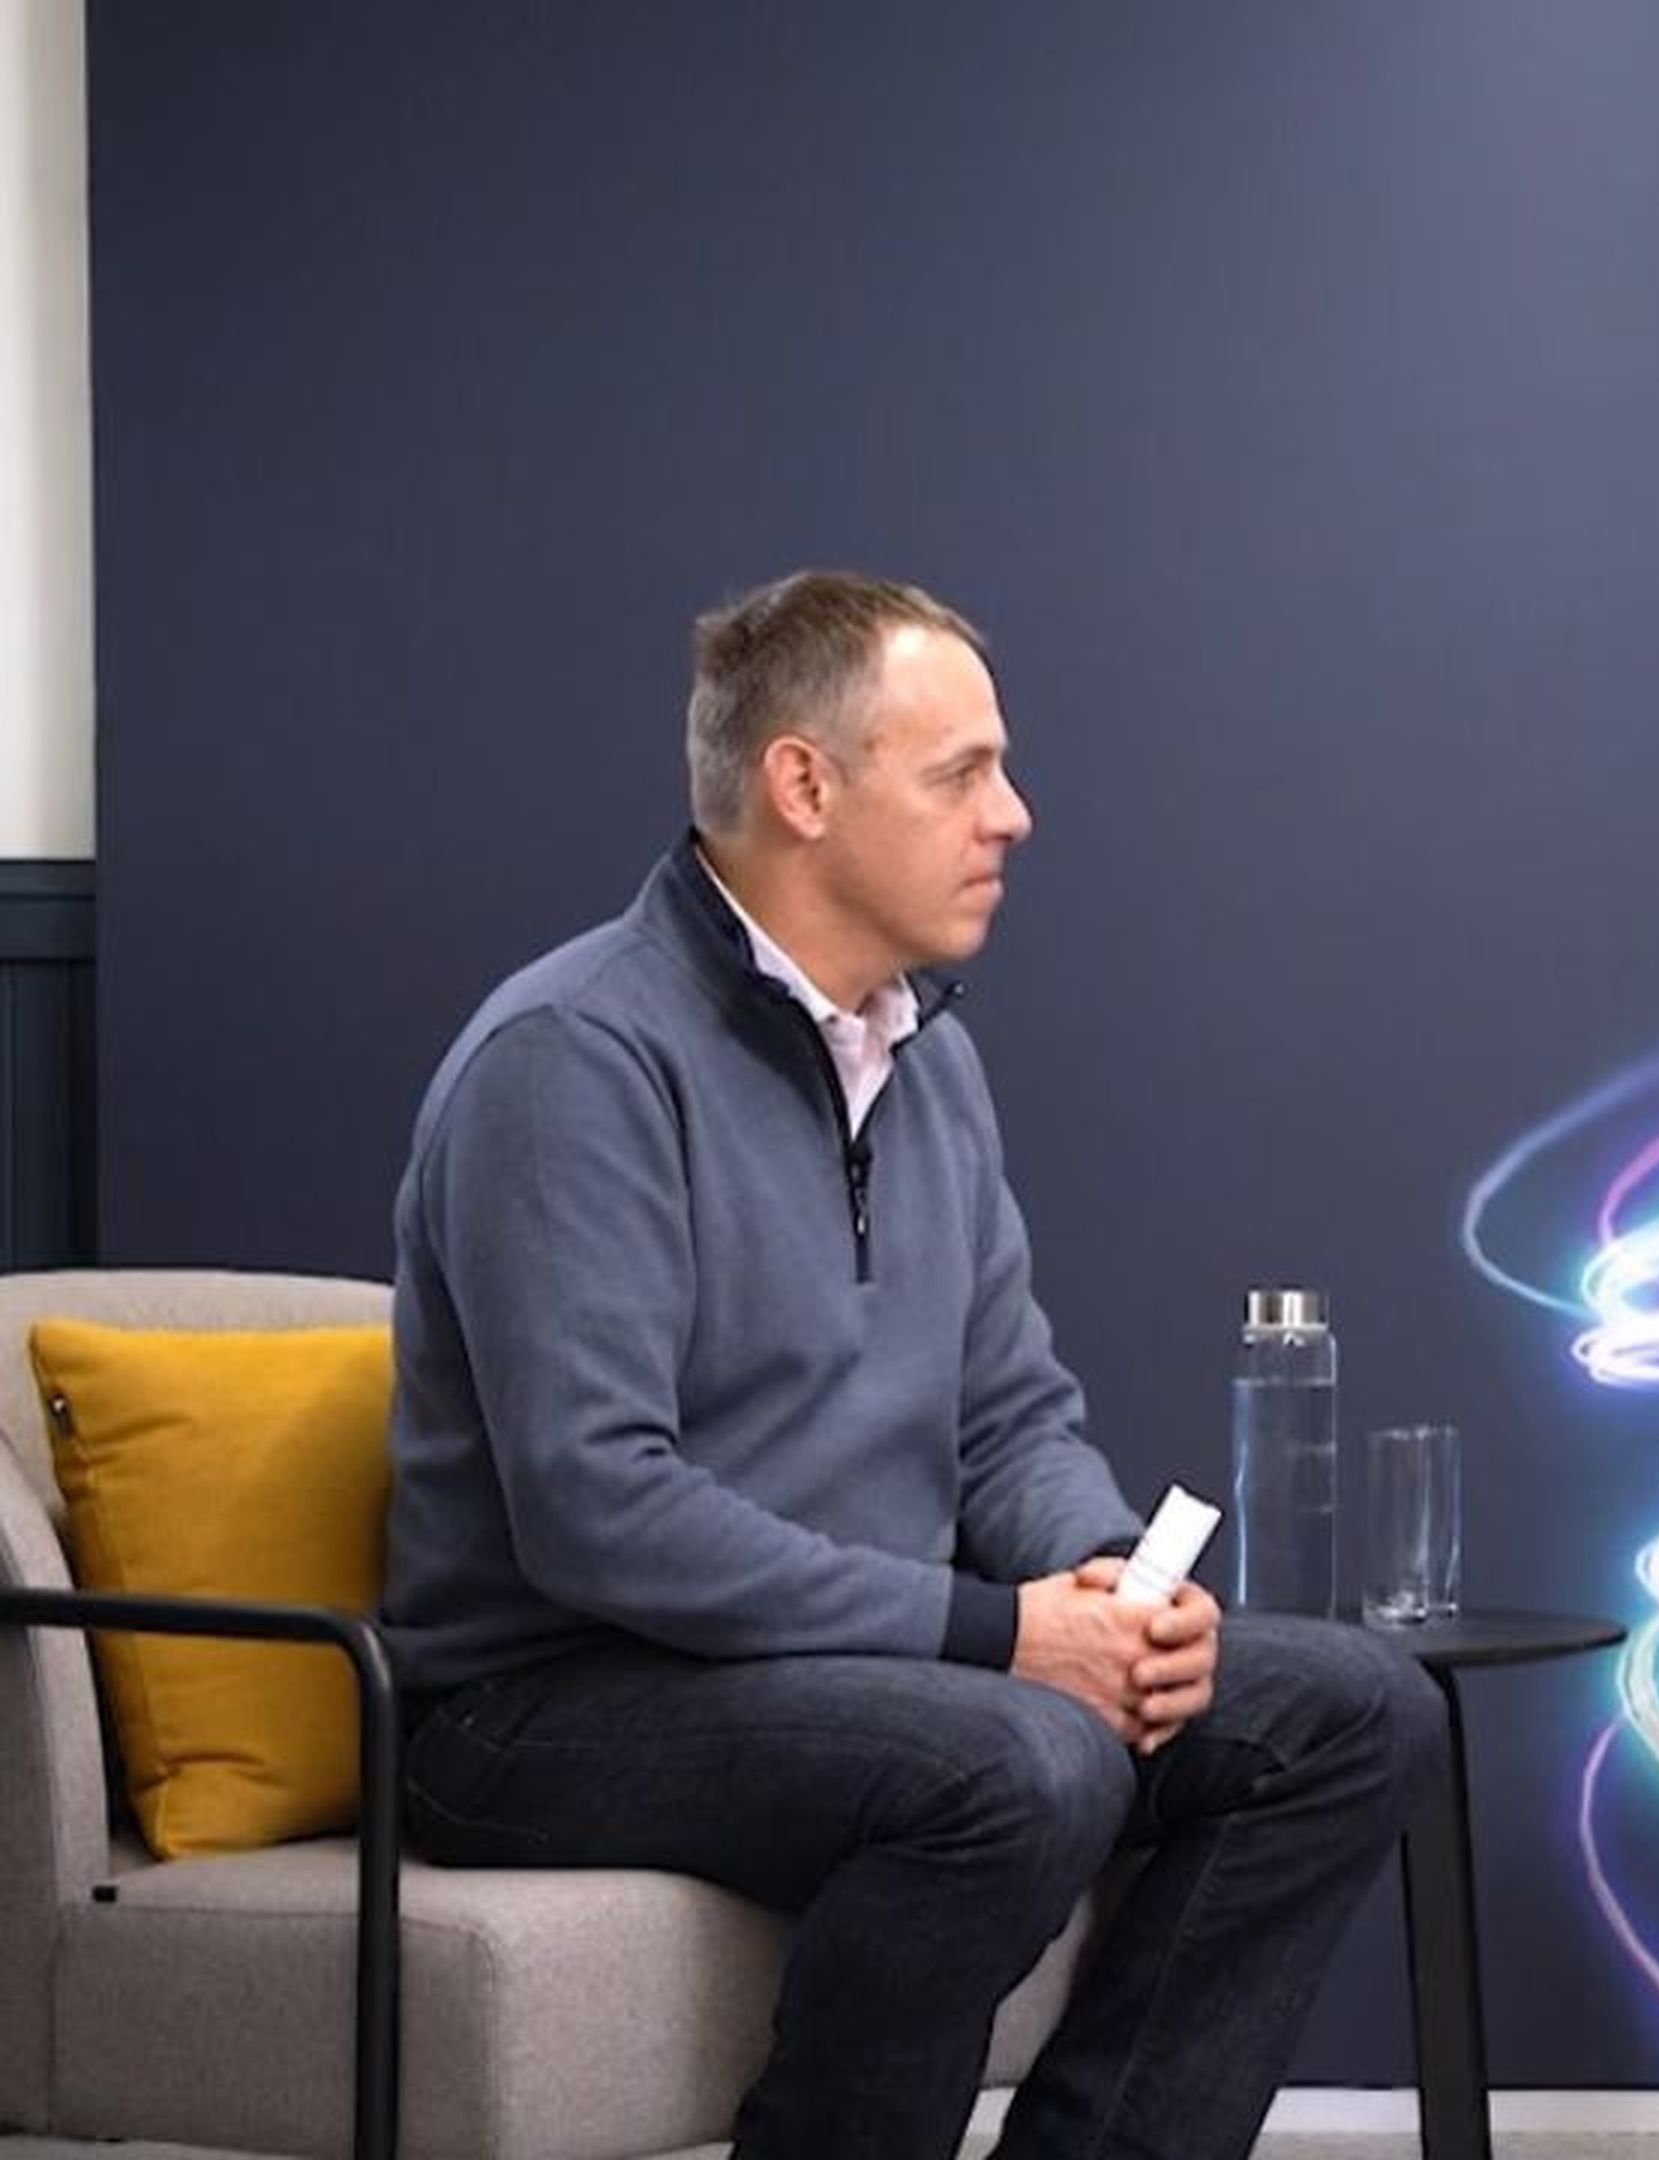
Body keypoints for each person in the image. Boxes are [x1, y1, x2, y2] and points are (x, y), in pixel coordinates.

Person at [379, 570, 1449, 2160]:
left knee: (1357, 1711)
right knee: (1024, 1759)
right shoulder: (575, 1061)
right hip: (547, 1702)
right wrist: (1002, 1635)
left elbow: (1008, 1417)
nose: (1013, 815)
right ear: (803, 787)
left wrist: (1106, 1586)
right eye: (962, 774)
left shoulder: (927, 1060)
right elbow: (599, 1511)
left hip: (856, 1673)